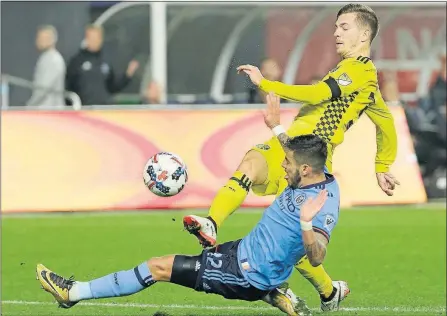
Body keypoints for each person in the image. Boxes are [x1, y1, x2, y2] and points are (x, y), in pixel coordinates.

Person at [37, 94, 338, 316]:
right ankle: (274, 292)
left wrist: (306, 225)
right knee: (209, 257)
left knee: (158, 267)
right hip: (243, 251)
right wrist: (275, 127)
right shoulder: (307, 170)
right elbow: (292, 151)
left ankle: (72, 293)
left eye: (287, 164)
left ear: (305, 171)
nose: (282, 167)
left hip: (245, 272)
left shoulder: (321, 205)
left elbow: (316, 257)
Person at [183, 3, 399, 311]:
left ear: (364, 34)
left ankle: (326, 290)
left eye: (344, 27)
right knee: (253, 166)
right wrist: (382, 165)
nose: (336, 32)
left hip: (311, 159)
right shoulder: (358, 76)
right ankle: (212, 222)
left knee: (291, 235)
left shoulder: (360, 69)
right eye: (336, 27)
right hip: (293, 147)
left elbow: (318, 94)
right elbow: (386, 121)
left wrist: (266, 84)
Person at [65, 24, 139, 105]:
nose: (94, 40)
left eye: (97, 37)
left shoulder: (106, 61)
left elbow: (112, 87)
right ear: (86, 38)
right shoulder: (76, 61)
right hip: (83, 111)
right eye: (91, 37)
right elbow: (69, 89)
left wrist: (127, 75)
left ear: (101, 39)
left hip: (103, 110)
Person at [27, 25, 66, 108]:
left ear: (52, 40)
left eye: (42, 38)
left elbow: (43, 89)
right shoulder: (46, 57)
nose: (38, 41)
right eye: (39, 38)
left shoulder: (53, 59)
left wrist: (29, 106)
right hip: (45, 110)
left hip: (50, 111)